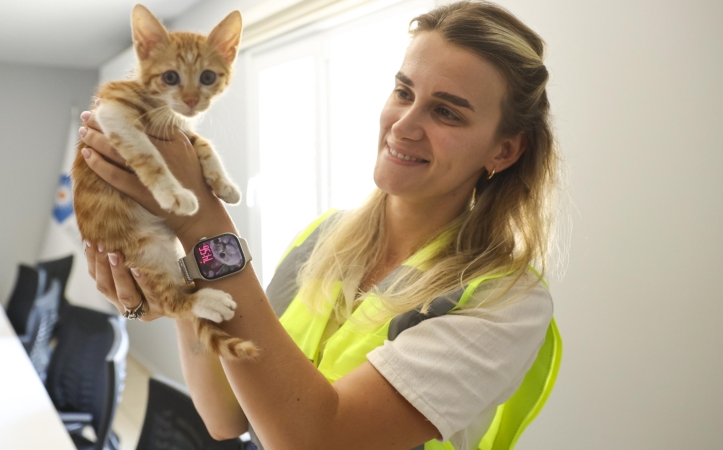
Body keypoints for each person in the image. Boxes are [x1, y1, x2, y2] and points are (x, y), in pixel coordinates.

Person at [78, 1, 560, 448]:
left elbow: (318, 441)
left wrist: (200, 220)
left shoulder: (505, 302)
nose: (402, 125)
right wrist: (179, 296)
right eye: (403, 92)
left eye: (446, 112)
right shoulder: (323, 236)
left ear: (504, 150)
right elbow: (226, 417)